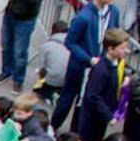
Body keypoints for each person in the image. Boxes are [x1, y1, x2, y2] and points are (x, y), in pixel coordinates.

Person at [51, 0, 119, 132]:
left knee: (84, 102)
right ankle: (54, 125)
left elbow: (115, 36)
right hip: (80, 66)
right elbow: (70, 42)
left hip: (98, 68)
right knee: (68, 98)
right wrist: (88, 59)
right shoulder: (83, 17)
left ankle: (75, 132)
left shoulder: (114, 12)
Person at [77, 28, 129, 141]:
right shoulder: (101, 71)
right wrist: (108, 116)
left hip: (103, 114)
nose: (126, 51)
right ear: (110, 48)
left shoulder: (119, 61)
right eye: (122, 48)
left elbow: (122, 71)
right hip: (93, 117)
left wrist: (125, 77)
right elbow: (93, 96)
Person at [0, 0, 41, 94]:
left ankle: (18, 80)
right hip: (10, 13)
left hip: (26, 18)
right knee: (6, 45)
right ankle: (6, 71)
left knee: (20, 52)